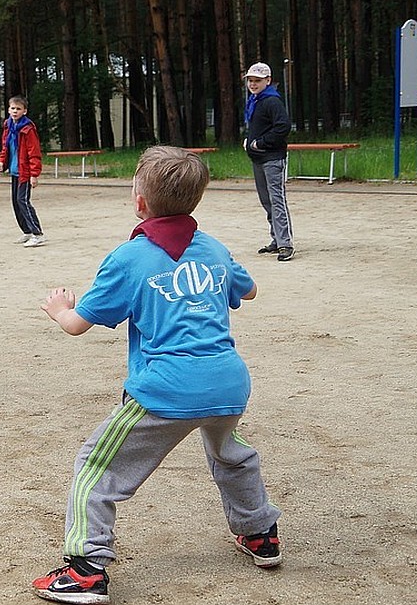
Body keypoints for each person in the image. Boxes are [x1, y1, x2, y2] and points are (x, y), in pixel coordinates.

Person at [32, 145, 283, 605]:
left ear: (140, 201)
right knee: (231, 452)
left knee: (95, 467)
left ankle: (85, 571)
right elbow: (249, 291)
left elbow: (76, 326)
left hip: (164, 388)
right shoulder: (214, 248)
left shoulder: (130, 257)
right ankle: (260, 533)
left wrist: (60, 309)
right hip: (227, 381)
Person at [243, 62, 294, 262]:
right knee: (266, 201)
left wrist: (260, 143)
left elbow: (283, 127)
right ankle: (276, 239)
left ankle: (285, 244)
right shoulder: (255, 101)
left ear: (268, 81)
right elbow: (259, 126)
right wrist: (249, 141)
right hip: (258, 158)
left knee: (277, 200)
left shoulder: (272, 101)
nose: (253, 84)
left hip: (272, 158)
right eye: (250, 80)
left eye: (257, 80)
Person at [0, 95, 45, 247]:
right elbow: (6, 146)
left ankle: (37, 233)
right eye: (12, 108)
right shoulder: (8, 126)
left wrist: (34, 174)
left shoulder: (28, 129)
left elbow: (34, 152)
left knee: (22, 200)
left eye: (18, 109)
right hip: (14, 170)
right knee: (15, 202)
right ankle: (27, 231)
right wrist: (2, 162)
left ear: (24, 111)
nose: (15, 111)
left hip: (25, 172)